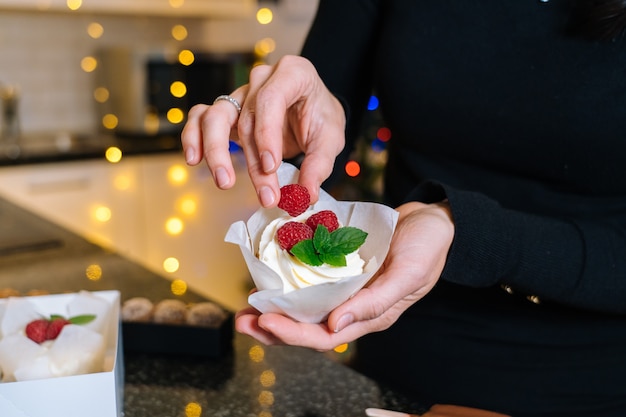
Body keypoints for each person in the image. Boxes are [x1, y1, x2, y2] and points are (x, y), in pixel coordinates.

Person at [181, 1, 626, 416]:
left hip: (591, 379)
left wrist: (461, 228)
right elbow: (320, 117)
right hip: (402, 354)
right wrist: (281, 133)